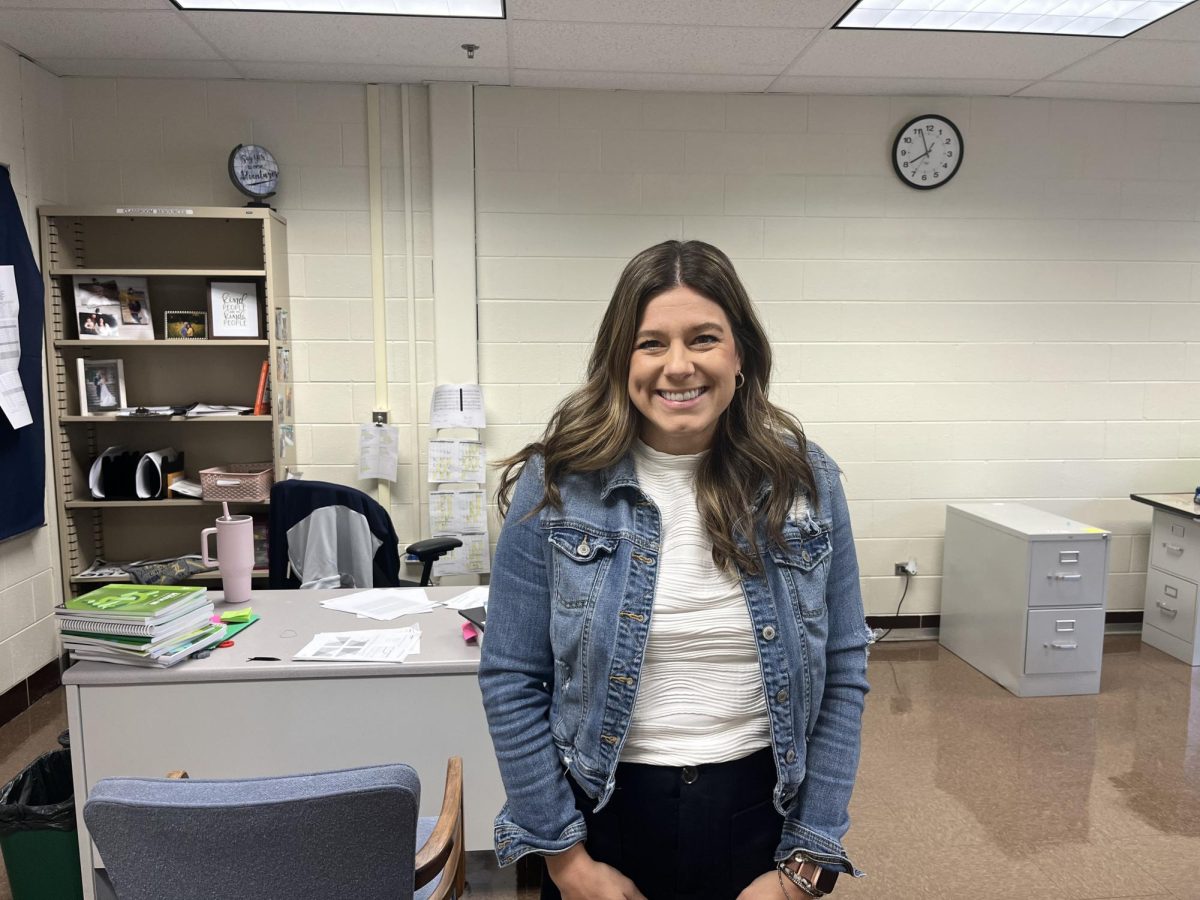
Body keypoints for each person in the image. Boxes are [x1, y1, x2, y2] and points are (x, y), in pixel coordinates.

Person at [479, 240, 871, 900]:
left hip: (759, 819)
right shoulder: (560, 483)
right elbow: (512, 677)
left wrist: (805, 869)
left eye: (704, 338)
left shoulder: (805, 479)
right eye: (651, 342)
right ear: (619, 359)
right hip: (602, 821)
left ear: (739, 354)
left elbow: (846, 669)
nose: (679, 365)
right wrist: (567, 863)